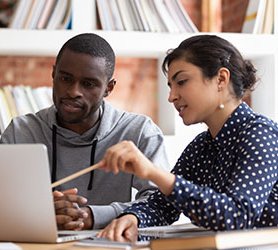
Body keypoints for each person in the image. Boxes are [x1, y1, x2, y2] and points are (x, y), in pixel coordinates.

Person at [97, 34, 278, 242]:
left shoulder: (260, 133)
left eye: (181, 82)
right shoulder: (201, 146)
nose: (171, 96)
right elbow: (164, 206)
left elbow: (236, 217)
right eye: (170, 86)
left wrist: (152, 172)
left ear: (221, 79)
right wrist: (133, 218)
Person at [0, 33, 170, 230]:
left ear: (108, 88)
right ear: (53, 74)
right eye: (65, 78)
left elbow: (161, 205)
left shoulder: (139, 132)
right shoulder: (21, 131)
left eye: (88, 84)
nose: (73, 91)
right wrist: (39, 212)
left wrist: (92, 216)